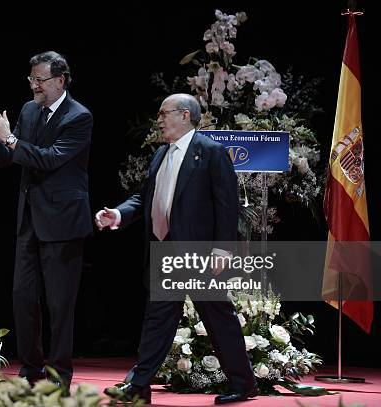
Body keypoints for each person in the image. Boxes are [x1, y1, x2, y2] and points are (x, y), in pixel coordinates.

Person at [95, 93, 257, 404]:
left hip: (200, 254)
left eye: (163, 113)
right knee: (158, 318)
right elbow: (144, 199)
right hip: (164, 247)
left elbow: (227, 206)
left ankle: (243, 383)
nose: (158, 119)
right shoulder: (160, 155)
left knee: (217, 317)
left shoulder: (211, 152)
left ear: (184, 115)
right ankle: (139, 383)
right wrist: (117, 214)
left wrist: (223, 249)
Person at [0, 51, 93, 386]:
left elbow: (50, 159)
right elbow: (12, 159)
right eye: (31, 79)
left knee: (60, 304)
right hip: (30, 221)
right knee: (23, 299)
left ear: (60, 81)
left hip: (63, 223)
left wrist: (9, 137)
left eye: (40, 80)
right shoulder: (29, 109)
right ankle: (30, 370)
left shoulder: (79, 117)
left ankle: (60, 374)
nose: (34, 85)